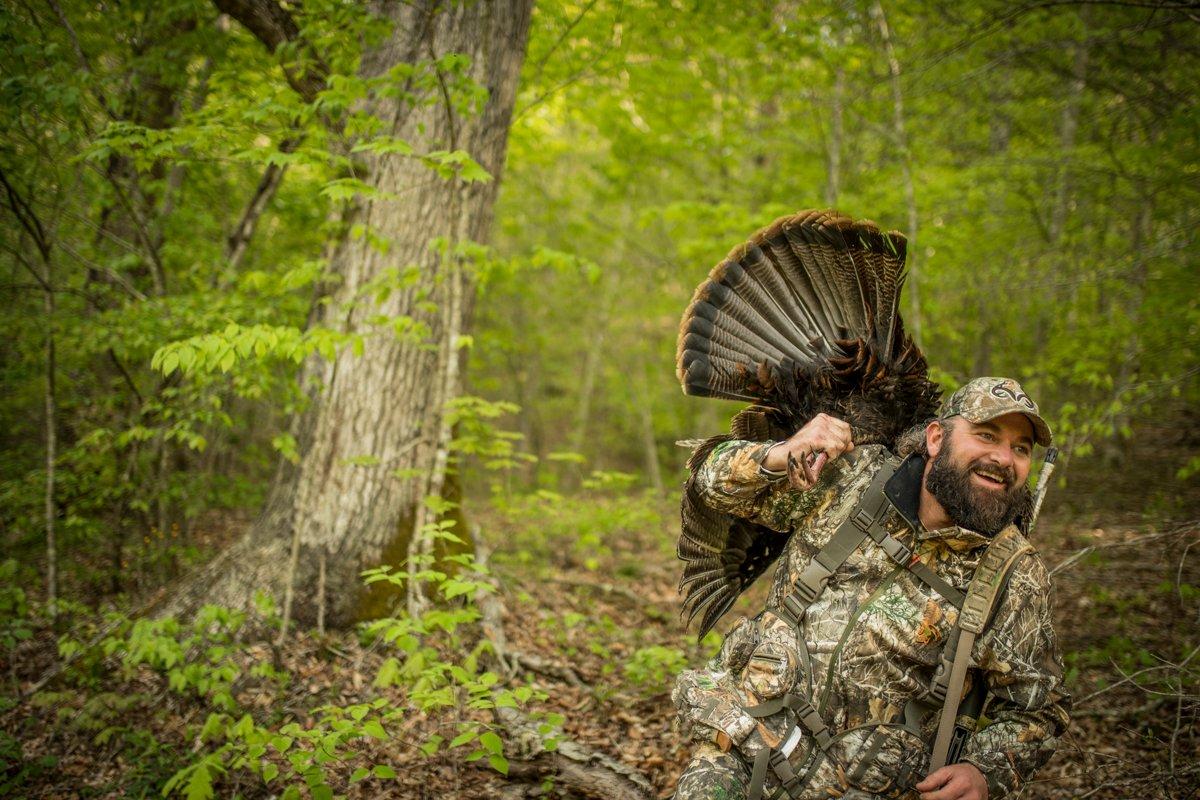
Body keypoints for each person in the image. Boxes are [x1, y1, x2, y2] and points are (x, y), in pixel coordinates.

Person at [672, 377, 1071, 800]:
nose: (1003, 457)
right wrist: (780, 454)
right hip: (747, 746)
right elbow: (711, 484)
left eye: (1021, 448)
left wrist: (984, 772)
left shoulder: (1016, 575)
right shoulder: (851, 479)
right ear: (936, 438)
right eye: (987, 435)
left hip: (867, 788)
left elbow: (1039, 709)